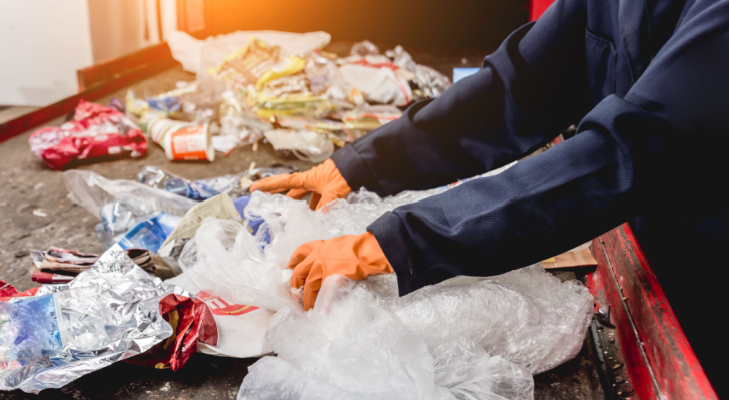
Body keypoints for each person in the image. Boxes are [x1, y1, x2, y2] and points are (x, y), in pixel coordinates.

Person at [252, 0, 728, 393]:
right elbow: (516, 88)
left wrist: (398, 240)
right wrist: (361, 164)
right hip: (650, 248)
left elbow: (628, 150)